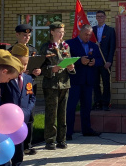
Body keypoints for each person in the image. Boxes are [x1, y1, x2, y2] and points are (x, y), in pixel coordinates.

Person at [39, 22, 75, 150]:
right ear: (52, 32)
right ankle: (50, 141)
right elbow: (39, 67)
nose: (62, 34)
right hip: (51, 84)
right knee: (51, 114)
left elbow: (69, 62)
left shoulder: (66, 46)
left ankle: (62, 139)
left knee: (62, 113)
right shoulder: (45, 47)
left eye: (63, 32)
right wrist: (51, 69)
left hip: (64, 83)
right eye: (59, 31)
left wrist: (71, 67)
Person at [66, 24, 102, 140]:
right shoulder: (69, 44)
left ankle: (86, 129)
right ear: (80, 32)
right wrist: (79, 61)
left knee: (86, 106)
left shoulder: (93, 45)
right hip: (75, 80)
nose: (88, 37)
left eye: (90, 35)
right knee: (71, 107)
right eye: (86, 34)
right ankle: (68, 132)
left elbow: (101, 60)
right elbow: (65, 60)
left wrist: (95, 62)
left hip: (88, 80)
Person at [1, 44, 36, 166]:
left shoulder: (28, 78)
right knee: (4, 151)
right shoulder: (5, 78)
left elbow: (31, 97)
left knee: (18, 152)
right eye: (21, 63)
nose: (23, 67)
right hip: (5, 123)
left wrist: (26, 112)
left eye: (26, 64)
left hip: (21, 124)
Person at [9, 23, 41, 155]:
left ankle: (27, 144)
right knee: (15, 117)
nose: (27, 38)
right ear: (17, 35)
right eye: (24, 35)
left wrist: (38, 71)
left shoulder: (33, 50)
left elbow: (40, 65)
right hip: (15, 87)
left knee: (29, 116)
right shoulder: (11, 51)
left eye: (28, 35)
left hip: (29, 85)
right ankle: (14, 144)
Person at [92, 10, 116, 111]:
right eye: (98, 17)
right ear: (96, 18)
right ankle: (97, 102)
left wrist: (109, 61)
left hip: (105, 61)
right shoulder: (92, 30)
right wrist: (94, 45)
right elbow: (88, 44)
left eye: (101, 16)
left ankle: (106, 103)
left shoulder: (110, 30)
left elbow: (112, 47)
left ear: (105, 17)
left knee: (106, 83)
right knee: (95, 82)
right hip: (95, 61)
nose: (100, 18)